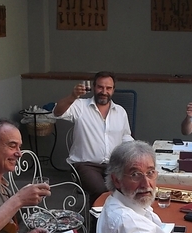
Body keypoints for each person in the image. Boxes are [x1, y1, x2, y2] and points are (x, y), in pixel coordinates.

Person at [54, 71, 133, 203]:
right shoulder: (80, 105)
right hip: (85, 165)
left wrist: (136, 154)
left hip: (113, 165)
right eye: (100, 87)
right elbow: (57, 112)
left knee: (130, 186)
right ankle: (96, 222)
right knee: (102, 191)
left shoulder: (120, 112)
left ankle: (119, 220)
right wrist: (73, 96)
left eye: (108, 88)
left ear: (113, 90)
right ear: (93, 87)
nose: (104, 91)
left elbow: (125, 137)